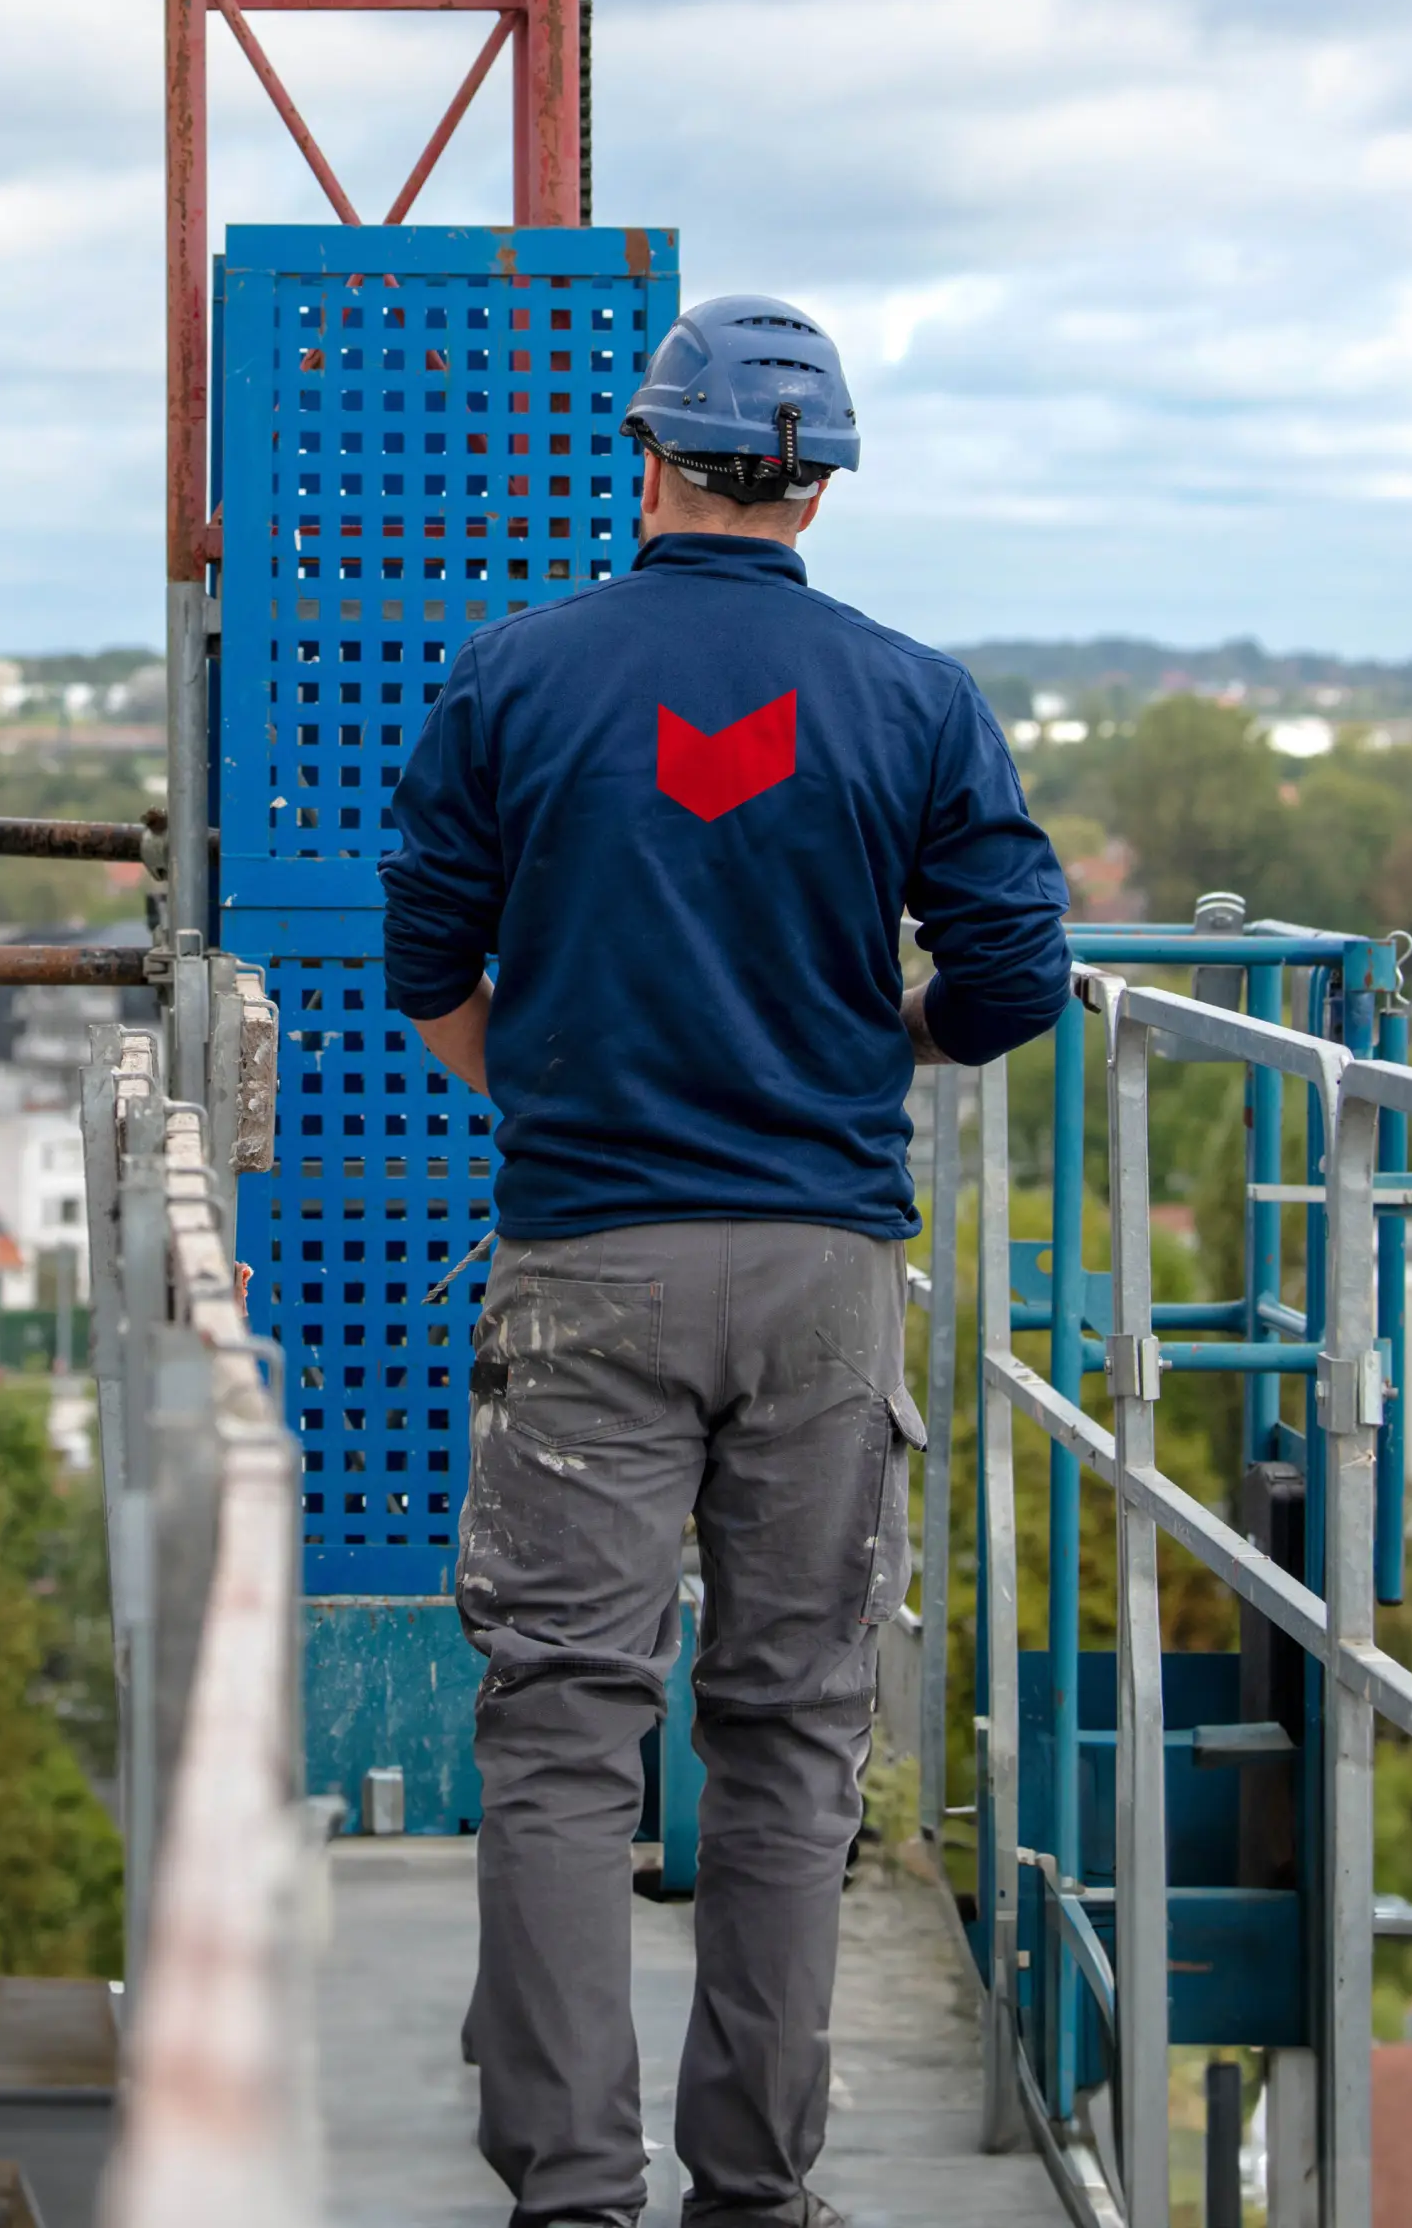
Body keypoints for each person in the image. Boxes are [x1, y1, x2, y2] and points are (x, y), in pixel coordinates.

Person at [381, 295, 1072, 2228]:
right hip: (820, 1273)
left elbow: (423, 954)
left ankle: (570, 2195)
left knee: (564, 1727)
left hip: (588, 1262)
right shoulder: (915, 699)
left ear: (652, 456)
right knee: (787, 1734)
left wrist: (545, 1100)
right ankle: (754, 2195)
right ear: (822, 487)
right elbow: (1015, 976)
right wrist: (885, 1041)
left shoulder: (519, 676)